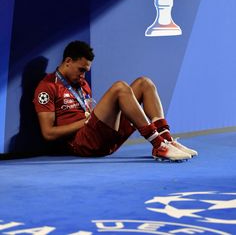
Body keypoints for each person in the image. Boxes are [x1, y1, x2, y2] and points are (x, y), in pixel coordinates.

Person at [33, 40, 198, 161]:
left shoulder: (81, 84)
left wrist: (90, 117)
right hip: (82, 144)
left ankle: (166, 139)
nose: (83, 76)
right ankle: (158, 145)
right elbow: (48, 133)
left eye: (86, 71)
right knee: (120, 88)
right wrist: (85, 122)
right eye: (81, 70)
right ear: (68, 62)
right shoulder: (47, 87)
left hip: (100, 137)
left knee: (144, 83)